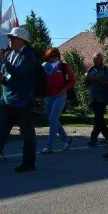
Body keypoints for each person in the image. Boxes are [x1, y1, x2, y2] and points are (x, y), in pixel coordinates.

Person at [0, 27, 36, 172]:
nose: (10, 40)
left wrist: (4, 62)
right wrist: (2, 79)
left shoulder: (28, 56)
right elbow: (8, 76)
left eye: (13, 38)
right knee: (1, 131)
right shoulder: (9, 54)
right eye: (10, 37)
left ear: (21, 40)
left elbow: (19, 74)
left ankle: (28, 163)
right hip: (7, 99)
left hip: (23, 101)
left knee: (27, 134)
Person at [40, 48, 75, 154]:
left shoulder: (63, 66)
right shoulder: (45, 67)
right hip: (49, 96)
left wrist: (65, 89)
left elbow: (72, 80)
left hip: (60, 96)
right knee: (53, 120)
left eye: (55, 55)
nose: (53, 57)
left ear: (58, 56)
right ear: (47, 57)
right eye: (51, 56)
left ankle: (49, 145)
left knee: (52, 118)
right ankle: (66, 140)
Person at [85, 53, 108, 146]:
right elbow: (86, 83)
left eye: (97, 59)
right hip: (93, 98)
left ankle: (93, 139)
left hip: (102, 98)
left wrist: (100, 80)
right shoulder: (91, 70)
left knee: (98, 118)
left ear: (101, 60)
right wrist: (90, 79)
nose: (95, 60)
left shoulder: (106, 70)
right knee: (99, 119)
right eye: (94, 59)